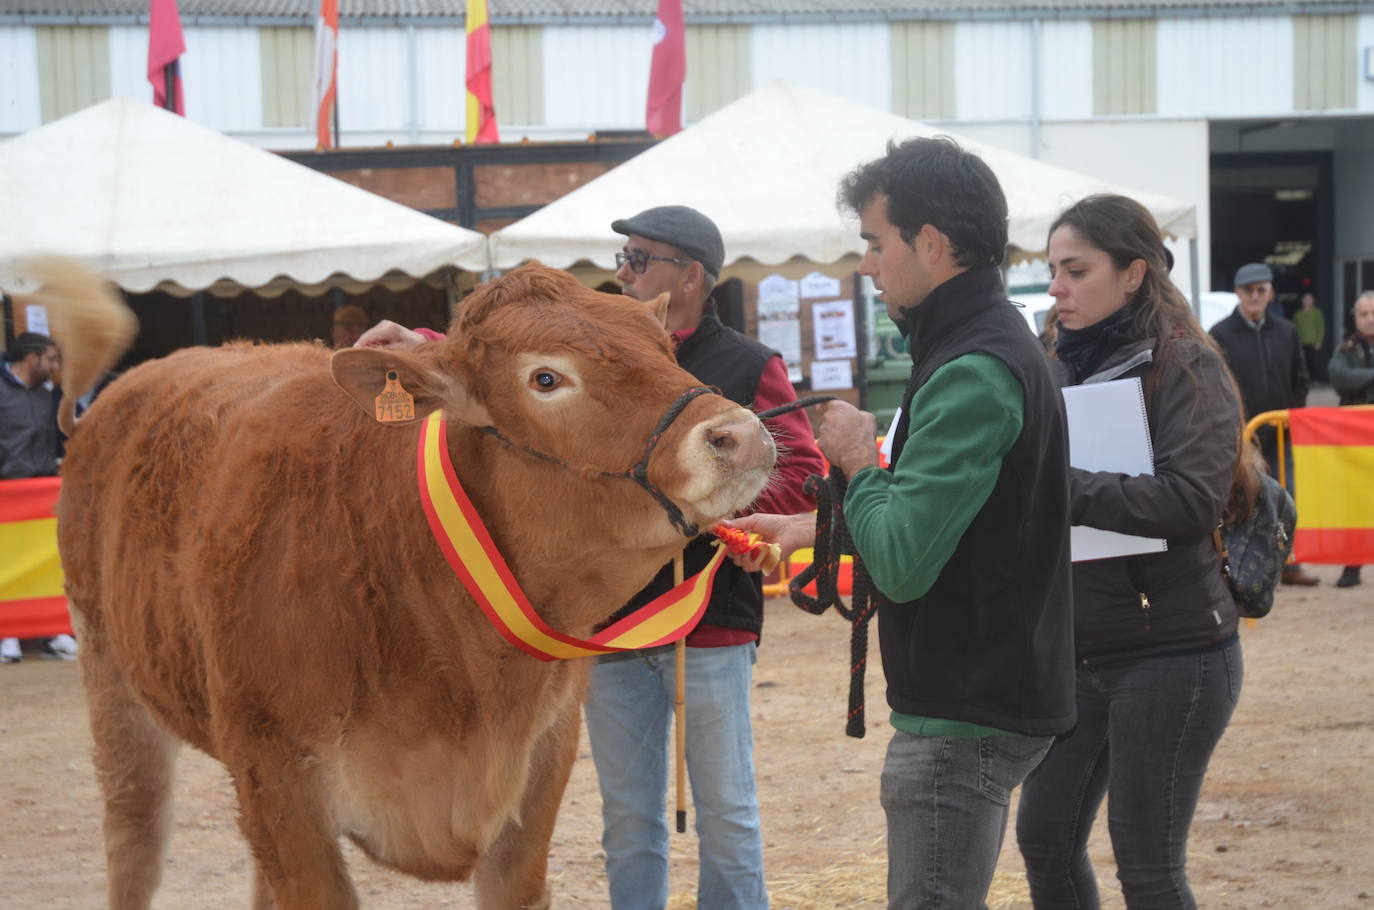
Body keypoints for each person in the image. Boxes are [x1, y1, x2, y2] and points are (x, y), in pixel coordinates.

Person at [732, 137, 1077, 907]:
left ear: (931, 244)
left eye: (875, 242)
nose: (866, 264)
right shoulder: (976, 348)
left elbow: (903, 561)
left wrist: (857, 460)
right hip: (979, 694)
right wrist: (804, 529)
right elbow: (956, 525)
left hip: (965, 711)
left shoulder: (973, 370)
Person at [583, 205, 824, 910]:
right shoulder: (607, 361)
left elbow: (802, 473)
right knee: (628, 821)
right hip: (616, 622)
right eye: (622, 258)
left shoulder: (749, 366)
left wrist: (736, 518)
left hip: (710, 617)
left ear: (689, 275)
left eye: (638, 259)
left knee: (726, 813)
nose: (622, 273)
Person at [1014, 194, 1248, 909]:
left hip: (1173, 651)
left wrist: (1054, 482)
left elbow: (1188, 503)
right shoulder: (1053, 363)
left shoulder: (1185, 364)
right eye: (1053, 268)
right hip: (1079, 651)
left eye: (1075, 268)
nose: (1056, 285)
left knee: (1147, 867)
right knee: (1045, 839)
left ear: (1133, 273)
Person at [1210, 262, 1318, 586]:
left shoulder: (1287, 331)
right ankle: (1242, 566)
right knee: (1244, 500)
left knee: (1286, 497)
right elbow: (1218, 383)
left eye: (1261, 289)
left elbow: (1301, 377)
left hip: (1281, 433)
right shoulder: (1220, 333)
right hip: (1242, 437)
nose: (1255, 296)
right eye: (1248, 290)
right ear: (1238, 294)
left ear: (1270, 292)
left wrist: (1292, 414)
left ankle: (1287, 564)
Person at [1, 332, 77, 663]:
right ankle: (8, 634)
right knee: (8, 562)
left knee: (51, 562)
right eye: (51, 359)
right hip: (8, 493)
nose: (55, 365)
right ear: (32, 359)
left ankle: (54, 632)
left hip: (43, 490)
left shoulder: (49, 395)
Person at [1327, 290, 1374, 588]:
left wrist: (1363, 375)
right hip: (1355, 441)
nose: (1370, 319)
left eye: (1373, 313)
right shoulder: (1346, 348)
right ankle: (1352, 566)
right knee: (1355, 501)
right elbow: (1338, 377)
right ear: (1355, 318)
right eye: (1364, 314)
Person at [1293, 291, 1327, 384]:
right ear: (1302, 301)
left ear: (1313, 301)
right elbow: (1293, 329)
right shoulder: (1297, 314)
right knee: (1303, 363)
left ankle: (1315, 380)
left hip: (1313, 342)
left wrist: (1319, 341)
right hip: (1301, 342)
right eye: (1306, 299)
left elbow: (1321, 327)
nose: (1308, 301)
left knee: (1314, 362)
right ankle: (1304, 381)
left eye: (1309, 299)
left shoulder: (1317, 313)